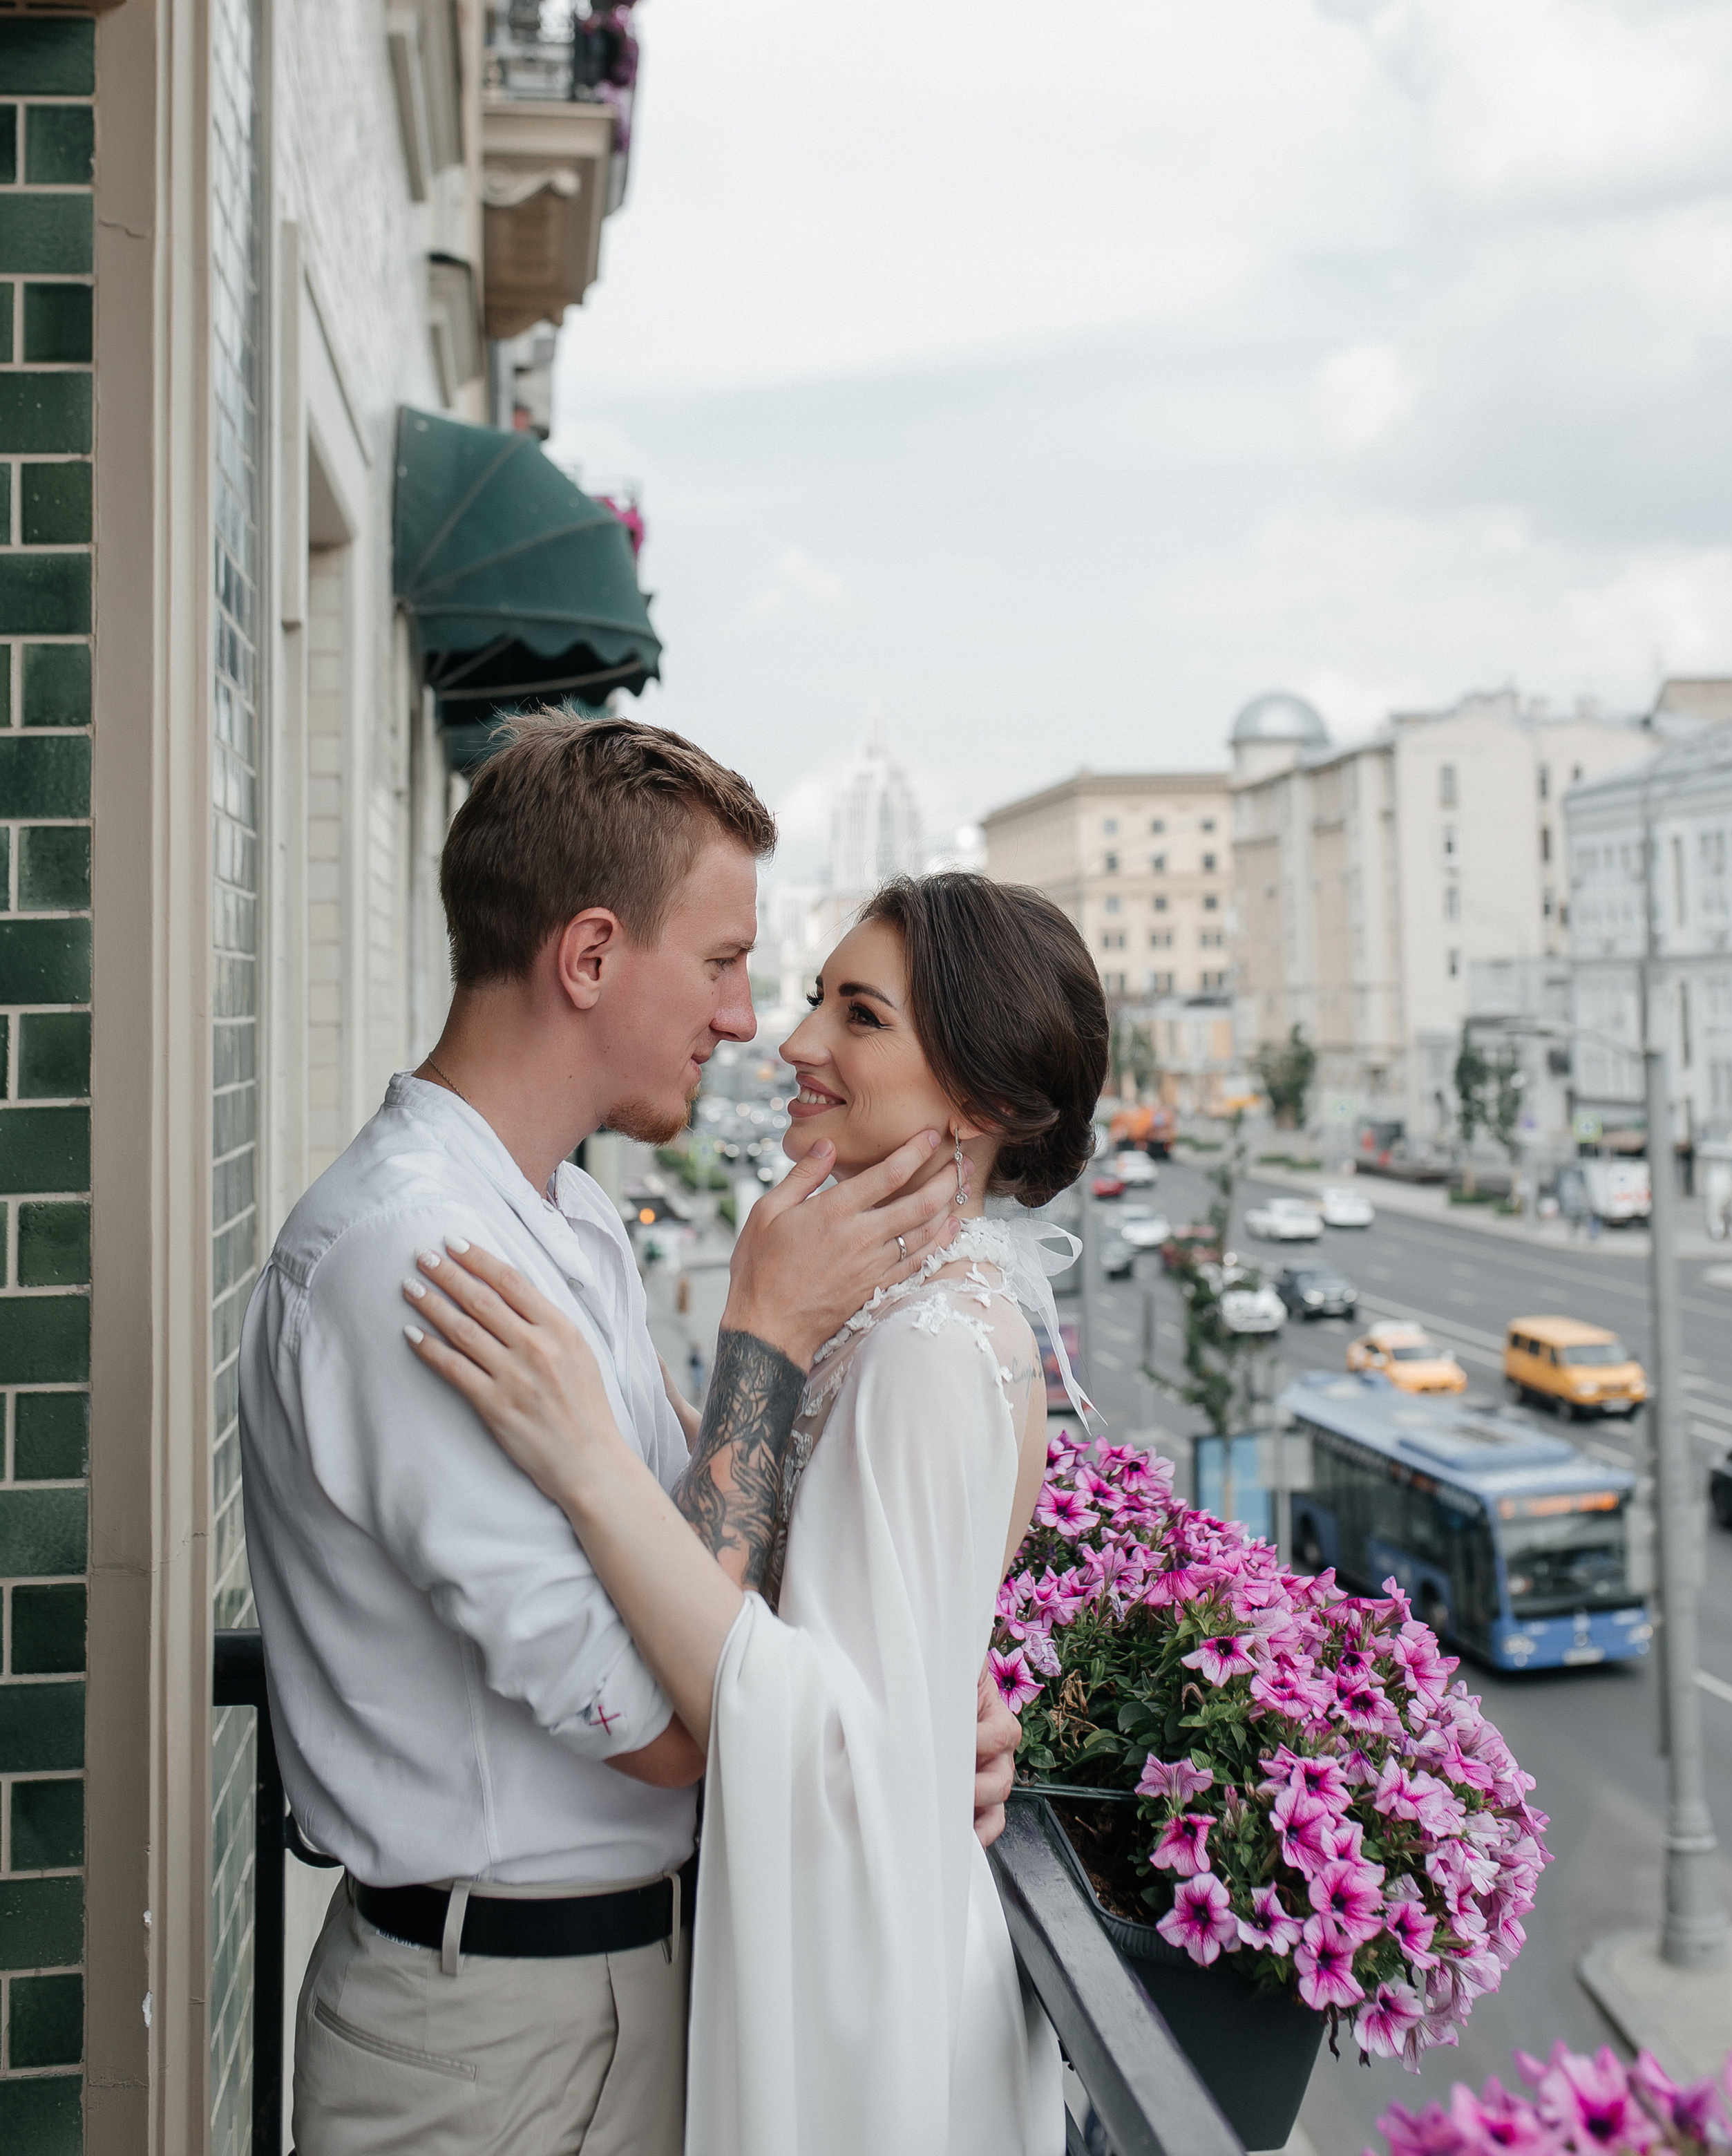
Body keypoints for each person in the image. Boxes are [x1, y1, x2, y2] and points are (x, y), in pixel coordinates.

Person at [238, 715, 1016, 2156]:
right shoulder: (417, 1265)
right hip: (490, 2042)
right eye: (721, 965)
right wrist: (766, 1341)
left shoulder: (571, 1220)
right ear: (588, 958)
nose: (746, 1023)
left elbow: (714, 1574)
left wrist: (902, 1717)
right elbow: (665, 1726)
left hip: (636, 1980)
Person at [401, 869, 1110, 2156]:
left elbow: (829, 1749)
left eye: (861, 1016)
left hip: (859, 1993)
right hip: (850, 1930)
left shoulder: (928, 1350)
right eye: (812, 1001)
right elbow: (873, 1687)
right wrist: (937, 1700)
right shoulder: (907, 1320)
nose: (793, 1044)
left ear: (985, 1099)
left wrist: (584, 1454)